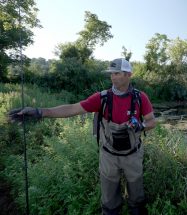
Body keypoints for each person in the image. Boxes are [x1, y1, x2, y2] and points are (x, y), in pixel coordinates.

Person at [9, 58, 156, 215]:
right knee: (109, 203)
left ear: (128, 75)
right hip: (109, 156)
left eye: (117, 73)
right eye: (111, 74)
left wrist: (142, 126)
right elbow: (71, 109)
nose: (113, 77)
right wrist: (39, 112)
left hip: (133, 156)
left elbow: (152, 121)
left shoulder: (140, 97)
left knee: (137, 200)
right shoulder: (102, 98)